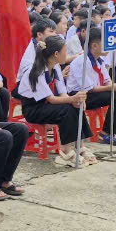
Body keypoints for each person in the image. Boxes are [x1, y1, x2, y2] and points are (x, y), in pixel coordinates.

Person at [19, 36, 93, 166]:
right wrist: (71, 99)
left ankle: (80, 146)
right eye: (65, 51)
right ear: (56, 54)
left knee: (76, 106)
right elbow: (51, 99)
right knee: (65, 110)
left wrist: (75, 100)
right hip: (33, 109)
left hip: (46, 105)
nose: (67, 54)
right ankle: (65, 151)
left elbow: (62, 91)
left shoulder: (56, 67)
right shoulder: (36, 71)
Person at [66, 27, 116, 143]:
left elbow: (107, 80)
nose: (108, 46)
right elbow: (90, 88)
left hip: (94, 93)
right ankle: (106, 133)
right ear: (94, 46)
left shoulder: (99, 60)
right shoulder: (82, 61)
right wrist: (113, 87)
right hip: (80, 96)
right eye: (105, 43)